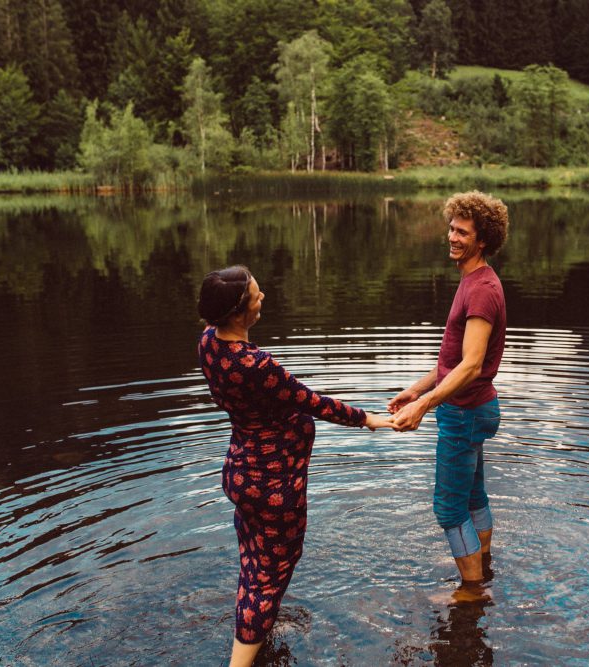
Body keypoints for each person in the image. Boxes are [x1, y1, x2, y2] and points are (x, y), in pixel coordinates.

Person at [196, 265, 395, 667]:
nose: (263, 297)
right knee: (269, 578)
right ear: (239, 312)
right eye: (256, 294)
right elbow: (312, 401)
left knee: (255, 565)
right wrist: (369, 419)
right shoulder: (256, 365)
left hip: (241, 473)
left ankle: (258, 633)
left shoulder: (208, 343)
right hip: (272, 485)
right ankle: (243, 652)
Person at [389, 191, 509, 590]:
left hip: (464, 411)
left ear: (483, 240)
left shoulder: (482, 289)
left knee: (449, 510)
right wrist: (415, 390)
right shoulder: (474, 280)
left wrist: (425, 404)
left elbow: (472, 365)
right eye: (451, 228)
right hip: (471, 409)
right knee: (473, 497)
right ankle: (481, 564)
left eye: (463, 232)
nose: (452, 237)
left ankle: (472, 591)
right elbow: (454, 360)